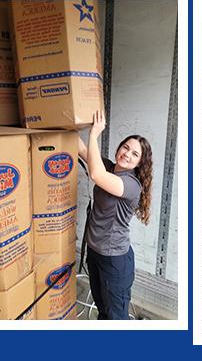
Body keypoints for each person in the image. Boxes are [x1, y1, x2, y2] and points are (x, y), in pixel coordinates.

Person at [78, 110, 153, 320]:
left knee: (116, 317)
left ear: (140, 163)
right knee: (103, 310)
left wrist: (94, 134)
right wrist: (68, 122)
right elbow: (82, 150)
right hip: (95, 253)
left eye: (135, 154)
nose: (127, 154)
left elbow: (95, 174)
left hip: (114, 260)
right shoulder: (109, 167)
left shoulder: (131, 185)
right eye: (125, 147)